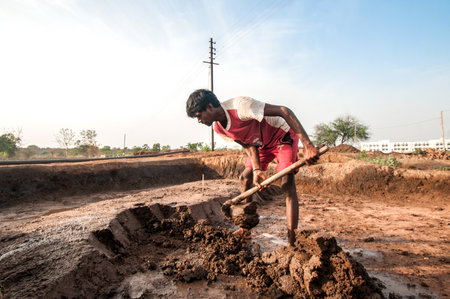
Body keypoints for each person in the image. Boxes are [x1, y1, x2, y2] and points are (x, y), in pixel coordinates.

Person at [186, 89, 319, 246]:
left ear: (209, 107)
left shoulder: (241, 107)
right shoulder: (219, 128)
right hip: (261, 144)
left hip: (282, 137)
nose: (199, 121)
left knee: (287, 184)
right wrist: (257, 169)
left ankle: (292, 242)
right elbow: (248, 144)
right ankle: (245, 230)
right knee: (245, 177)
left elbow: (284, 111)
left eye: (198, 116)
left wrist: (308, 145)